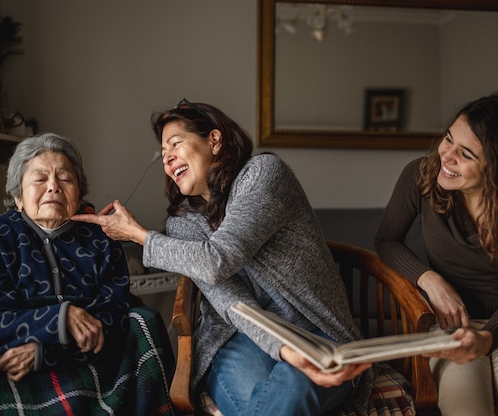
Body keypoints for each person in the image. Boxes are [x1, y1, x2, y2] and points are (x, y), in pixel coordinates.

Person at [72, 99, 375, 415]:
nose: (167, 158)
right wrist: (284, 350)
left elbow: (217, 258)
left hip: (312, 327)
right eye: (163, 154)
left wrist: (138, 235)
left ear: (214, 140)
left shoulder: (263, 174)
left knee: (292, 388)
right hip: (236, 336)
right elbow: (231, 302)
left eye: (175, 144)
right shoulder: (182, 222)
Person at [0, 133, 174, 415]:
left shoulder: (101, 238)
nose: (53, 187)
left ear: (79, 193)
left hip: (89, 363)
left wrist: (46, 354)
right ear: (17, 197)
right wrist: (61, 317)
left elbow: (113, 316)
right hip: (13, 364)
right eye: (39, 179)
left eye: (65, 178)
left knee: (144, 319)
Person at [374, 95, 498, 416]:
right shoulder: (420, 175)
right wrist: (429, 279)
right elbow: (387, 240)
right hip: (449, 328)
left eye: (466, 153)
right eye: (448, 138)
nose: (447, 155)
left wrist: (486, 339)